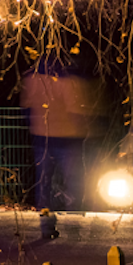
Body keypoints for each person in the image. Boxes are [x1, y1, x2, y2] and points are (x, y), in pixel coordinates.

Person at [21, 58, 105, 240]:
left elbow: (26, 105)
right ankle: (73, 224)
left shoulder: (32, 80)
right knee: (73, 182)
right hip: (68, 138)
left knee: (44, 185)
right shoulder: (69, 82)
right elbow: (76, 112)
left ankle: (46, 225)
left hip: (42, 136)